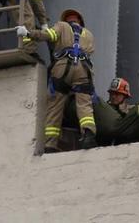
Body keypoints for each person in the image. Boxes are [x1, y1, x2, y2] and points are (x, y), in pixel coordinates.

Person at [16, 8, 96, 152]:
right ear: (80, 22)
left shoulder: (61, 26)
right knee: (84, 104)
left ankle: (50, 144)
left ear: (66, 20)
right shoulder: (89, 35)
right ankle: (88, 135)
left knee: (55, 105)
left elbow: (48, 35)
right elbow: (89, 52)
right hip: (84, 70)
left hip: (63, 67)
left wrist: (28, 33)